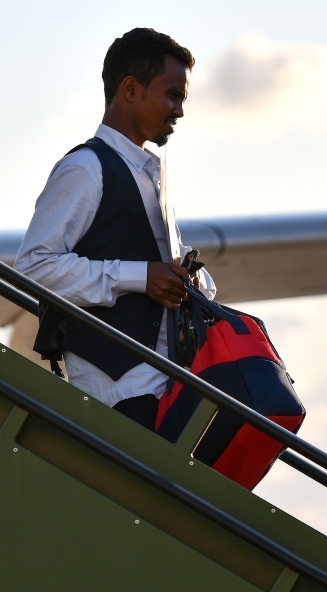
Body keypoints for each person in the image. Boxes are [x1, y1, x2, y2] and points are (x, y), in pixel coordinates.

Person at [15, 28, 215, 431]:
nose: (179, 110)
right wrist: (140, 276)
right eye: (173, 94)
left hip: (165, 379)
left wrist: (193, 280)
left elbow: (160, 275)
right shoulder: (85, 168)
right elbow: (32, 269)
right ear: (130, 89)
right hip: (120, 391)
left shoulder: (149, 176)